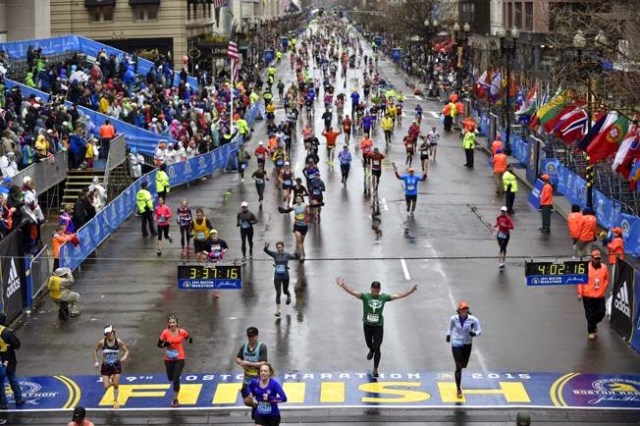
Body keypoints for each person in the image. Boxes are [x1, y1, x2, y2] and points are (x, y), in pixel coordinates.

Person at [335, 277, 418, 378]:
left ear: (379, 289)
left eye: (377, 289)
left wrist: (410, 291)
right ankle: (371, 349)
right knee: (369, 344)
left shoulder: (383, 297)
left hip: (378, 326)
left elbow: (398, 295)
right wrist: (343, 285)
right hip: (367, 325)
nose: (375, 290)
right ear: (371, 289)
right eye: (374, 289)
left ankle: (375, 369)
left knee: (378, 347)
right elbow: (353, 292)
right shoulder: (365, 297)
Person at [446, 301, 482, 398]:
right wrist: (448, 335)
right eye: (462, 309)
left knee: (464, 365)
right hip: (456, 343)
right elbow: (450, 328)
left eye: (466, 309)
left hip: (467, 343)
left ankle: (461, 367)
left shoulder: (473, 319)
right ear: (459, 310)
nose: (464, 311)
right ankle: (458, 389)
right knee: (458, 366)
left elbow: (479, 330)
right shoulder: (453, 319)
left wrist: (475, 334)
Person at [157, 314, 192, 408]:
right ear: (168, 324)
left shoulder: (182, 332)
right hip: (168, 359)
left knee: (176, 379)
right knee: (170, 378)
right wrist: (165, 344)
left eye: (173, 322)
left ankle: (175, 400)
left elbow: (188, 337)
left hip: (179, 358)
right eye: (170, 322)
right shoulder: (165, 333)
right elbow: (159, 345)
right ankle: (174, 383)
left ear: (177, 323)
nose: (172, 324)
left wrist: (189, 340)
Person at [93, 325, 130, 409]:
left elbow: (126, 350)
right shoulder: (102, 342)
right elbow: (95, 350)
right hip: (106, 367)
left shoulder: (118, 341)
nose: (109, 335)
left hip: (116, 366)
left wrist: (125, 356)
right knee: (106, 387)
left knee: (116, 384)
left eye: (110, 333)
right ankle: (111, 378)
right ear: (105, 334)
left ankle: (115, 401)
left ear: (113, 332)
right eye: (107, 334)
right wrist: (96, 362)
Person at [577, 250, 609, 340]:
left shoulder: (604, 267)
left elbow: (606, 279)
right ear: (592, 258)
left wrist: (603, 288)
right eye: (595, 258)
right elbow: (580, 281)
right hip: (588, 295)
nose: (597, 260)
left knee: (601, 312)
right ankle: (591, 331)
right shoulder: (586, 268)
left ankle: (593, 324)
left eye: (598, 258)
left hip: (600, 295)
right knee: (590, 314)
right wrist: (580, 293)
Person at [264, 242, 299, 318]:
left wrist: (297, 255)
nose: (279, 249)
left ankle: (288, 295)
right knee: (278, 293)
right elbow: (266, 251)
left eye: (280, 247)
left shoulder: (287, 255)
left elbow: (295, 257)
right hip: (277, 276)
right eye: (277, 247)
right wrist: (266, 247)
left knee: (285, 291)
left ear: (283, 247)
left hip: (285, 276)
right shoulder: (274, 254)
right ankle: (278, 310)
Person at [236, 326, 268, 410]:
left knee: (262, 402)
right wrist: (241, 363)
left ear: (257, 336)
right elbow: (238, 358)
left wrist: (248, 363)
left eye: (253, 336)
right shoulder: (244, 346)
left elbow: (263, 363)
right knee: (246, 401)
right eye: (249, 336)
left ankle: (259, 411)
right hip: (247, 381)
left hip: (259, 381)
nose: (251, 338)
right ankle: (255, 406)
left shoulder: (262, 347)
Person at [0, 313, 24, 410]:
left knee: (0, 383)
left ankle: (3, 403)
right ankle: (19, 399)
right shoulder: (6, 332)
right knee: (12, 378)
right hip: (9, 358)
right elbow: (17, 345)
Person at [279, 195, 309, 261]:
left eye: (299, 199)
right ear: (295, 200)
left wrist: (319, 204)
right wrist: (282, 210)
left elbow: (313, 206)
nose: (298, 200)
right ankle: (301, 255)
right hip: (297, 226)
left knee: (301, 241)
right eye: (297, 199)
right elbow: (287, 211)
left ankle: (300, 251)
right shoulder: (294, 206)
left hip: (304, 226)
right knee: (299, 239)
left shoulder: (305, 205)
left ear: (302, 200)